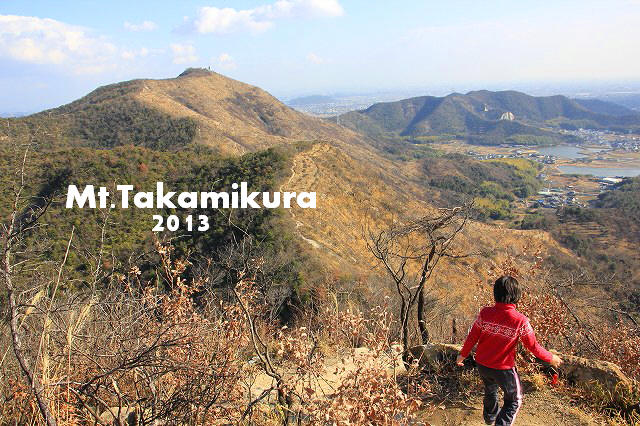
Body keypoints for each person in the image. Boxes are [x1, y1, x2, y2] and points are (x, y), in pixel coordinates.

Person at [456, 276, 562, 426]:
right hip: (504, 369)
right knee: (514, 400)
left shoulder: (485, 313)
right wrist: (551, 357)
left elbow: (473, 336)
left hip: (482, 364)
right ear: (516, 296)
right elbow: (533, 346)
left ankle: (490, 418)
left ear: (495, 293)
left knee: (490, 389)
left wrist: (462, 355)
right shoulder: (520, 320)